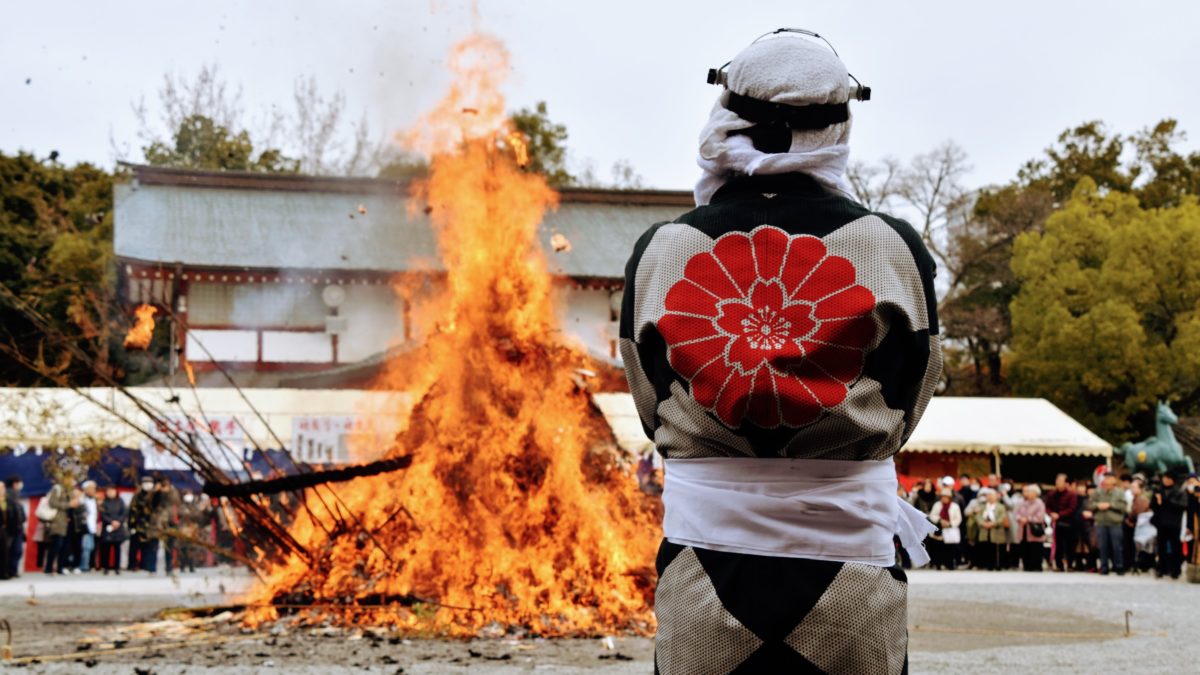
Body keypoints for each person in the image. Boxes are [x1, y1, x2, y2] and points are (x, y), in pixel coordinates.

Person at [620, 29, 941, 673]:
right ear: (839, 126)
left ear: (727, 114)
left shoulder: (662, 248)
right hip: (850, 577)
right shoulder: (891, 245)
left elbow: (649, 396)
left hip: (704, 577)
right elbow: (915, 387)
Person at [1086, 473, 1128, 575]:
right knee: (1102, 546)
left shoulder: (1119, 493)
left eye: (1109, 481)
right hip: (1101, 522)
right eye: (1105, 481)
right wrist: (1098, 505)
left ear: (1113, 482)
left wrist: (1110, 505)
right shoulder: (1098, 492)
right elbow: (1090, 504)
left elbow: (1123, 507)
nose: (1107, 484)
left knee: (1117, 546)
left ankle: (1119, 566)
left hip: (1115, 522)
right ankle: (1104, 567)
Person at [1151, 471, 1187, 579]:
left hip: (1174, 523)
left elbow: (1182, 506)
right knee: (1161, 547)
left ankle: (1176, 570)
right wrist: (1156, 501)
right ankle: (1162, 569)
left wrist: (1166, 501)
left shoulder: (1179, 492)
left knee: (1176, 547)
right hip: (1161, 523)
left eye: (1168, 478)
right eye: (1165, 478)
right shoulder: (1159, 491)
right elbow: (1153, 506)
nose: (1166, 480)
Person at [42, 475, 77, 575]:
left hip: (69, 522)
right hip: (58, 521)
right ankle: (49, 567)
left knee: (66, 546)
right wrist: (68, 505)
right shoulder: (57, 488)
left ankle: (60, 567)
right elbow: (52, 503)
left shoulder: (71, 491)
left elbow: (73, 504)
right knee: (57, 544)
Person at [1044, 473, 1078, 572]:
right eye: (1057, 481)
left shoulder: (1072, 495)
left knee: (1070, 545)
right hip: (1056, 523)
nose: (1058, 483)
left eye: (1060, 481)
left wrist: (1059, 514)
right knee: (1058, 544)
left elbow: (1072, 508)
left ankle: (1070, 564)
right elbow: (1047, 506)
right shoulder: (1051, 494)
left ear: (1066, 483)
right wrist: (1051, 514)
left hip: (1069, 522)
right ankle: (1059, 565)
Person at [927, 489, 963, 570]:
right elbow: (932, 515)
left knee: (950, 548)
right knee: (938, 548)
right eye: (942, 497)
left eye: (946, 497)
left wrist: (950, 523)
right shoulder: (937, 505)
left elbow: (958, 518)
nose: (944, 499)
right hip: (939, 529)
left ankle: (949, 564)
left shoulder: (955, 506)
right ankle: (938, 564)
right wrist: (940, 520)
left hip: (950, 530)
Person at [974, 488, 1008, 570]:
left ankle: (997, 565)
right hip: (984, 529)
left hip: (996, 529)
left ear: (996, 496)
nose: (990, 497)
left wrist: (994, 523)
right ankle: (987, 565)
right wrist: (982, 523)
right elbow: (978, 516)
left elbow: (1002, 517)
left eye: (992, 495)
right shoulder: (982, 507)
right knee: (986, 547)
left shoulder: (1001, 507)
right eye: (988, 496)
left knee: (996, 548)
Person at [1015, 484, 1047, 572]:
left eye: (1029, 491)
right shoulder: (1022, 503)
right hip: (1023, 530)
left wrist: (1028, 519)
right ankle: (1026, 566)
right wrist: (1020, 518)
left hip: (1034, 531)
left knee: (1035, 550)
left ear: (1035, 493)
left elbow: (1040, 517)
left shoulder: (1040, 503)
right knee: (1025, 549)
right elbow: (1016, 514)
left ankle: (1036, 566)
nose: (1027, 493)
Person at [127, 477, 156, 572]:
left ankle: (145, 565)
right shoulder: (137, 496)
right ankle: (132, 565)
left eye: (150, 483)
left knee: (147, 547)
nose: (148, 485)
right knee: (134, 547)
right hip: (137, 525)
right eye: (146, 483)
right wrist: (131, 526)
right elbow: (132, 511)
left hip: (150, 526)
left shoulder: (154, 496)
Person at [176, 490, 210, 573]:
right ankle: (182, 565)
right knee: (182, 548)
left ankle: (191, 565)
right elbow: (180, 514)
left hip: (193, 530)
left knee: (192, 548)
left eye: (190, 494)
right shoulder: (181, 505)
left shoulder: (196, 506)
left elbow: (199, 516)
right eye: (187, 495)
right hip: (183, 530)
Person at [152, 476, 180, 574]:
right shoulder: (156, 493)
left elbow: (176, 502)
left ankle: (169, 567)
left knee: (169, 546)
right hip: (158, 523)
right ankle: (152, 567)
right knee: (154, 546)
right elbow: (153, 504)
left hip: (170, 523)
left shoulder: (173, 492)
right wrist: (157, 492)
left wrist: (167, 492)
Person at [97, 486, 127, 575]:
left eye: (112, 491)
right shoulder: (104, 502)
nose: (111, 493)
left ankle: (117, 567)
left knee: (117, 549)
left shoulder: (120, 501)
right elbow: (102, 514)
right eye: (109, 491)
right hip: (107, 528)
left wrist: (118, 521)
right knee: (106, 549)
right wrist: (111, 521)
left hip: (118, 528)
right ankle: (105, 567)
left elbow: (124, 512)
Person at [4, 476, 26, 578]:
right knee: (12, 550)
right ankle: (10, 570)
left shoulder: (15, 494)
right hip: (12, 528)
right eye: (19, 482)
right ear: (14, 483)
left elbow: (19, 511)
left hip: (17, 527)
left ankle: (13, 570)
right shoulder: (9, 494)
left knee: (17, 551)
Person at [78, 481, 99, 572]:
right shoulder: (82, 499)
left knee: (91, 546)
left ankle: (90, 565)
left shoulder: (94, 500)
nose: (93, 490)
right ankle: (84, 566)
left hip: (92, 527)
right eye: (91, 488)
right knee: (86, 547)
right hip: (84, 527)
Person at [0, 482, 11, 579]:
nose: (2, 489)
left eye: (3, 488)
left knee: (4, 552)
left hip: (4, 529)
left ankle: (4, 573)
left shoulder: (7, 501)